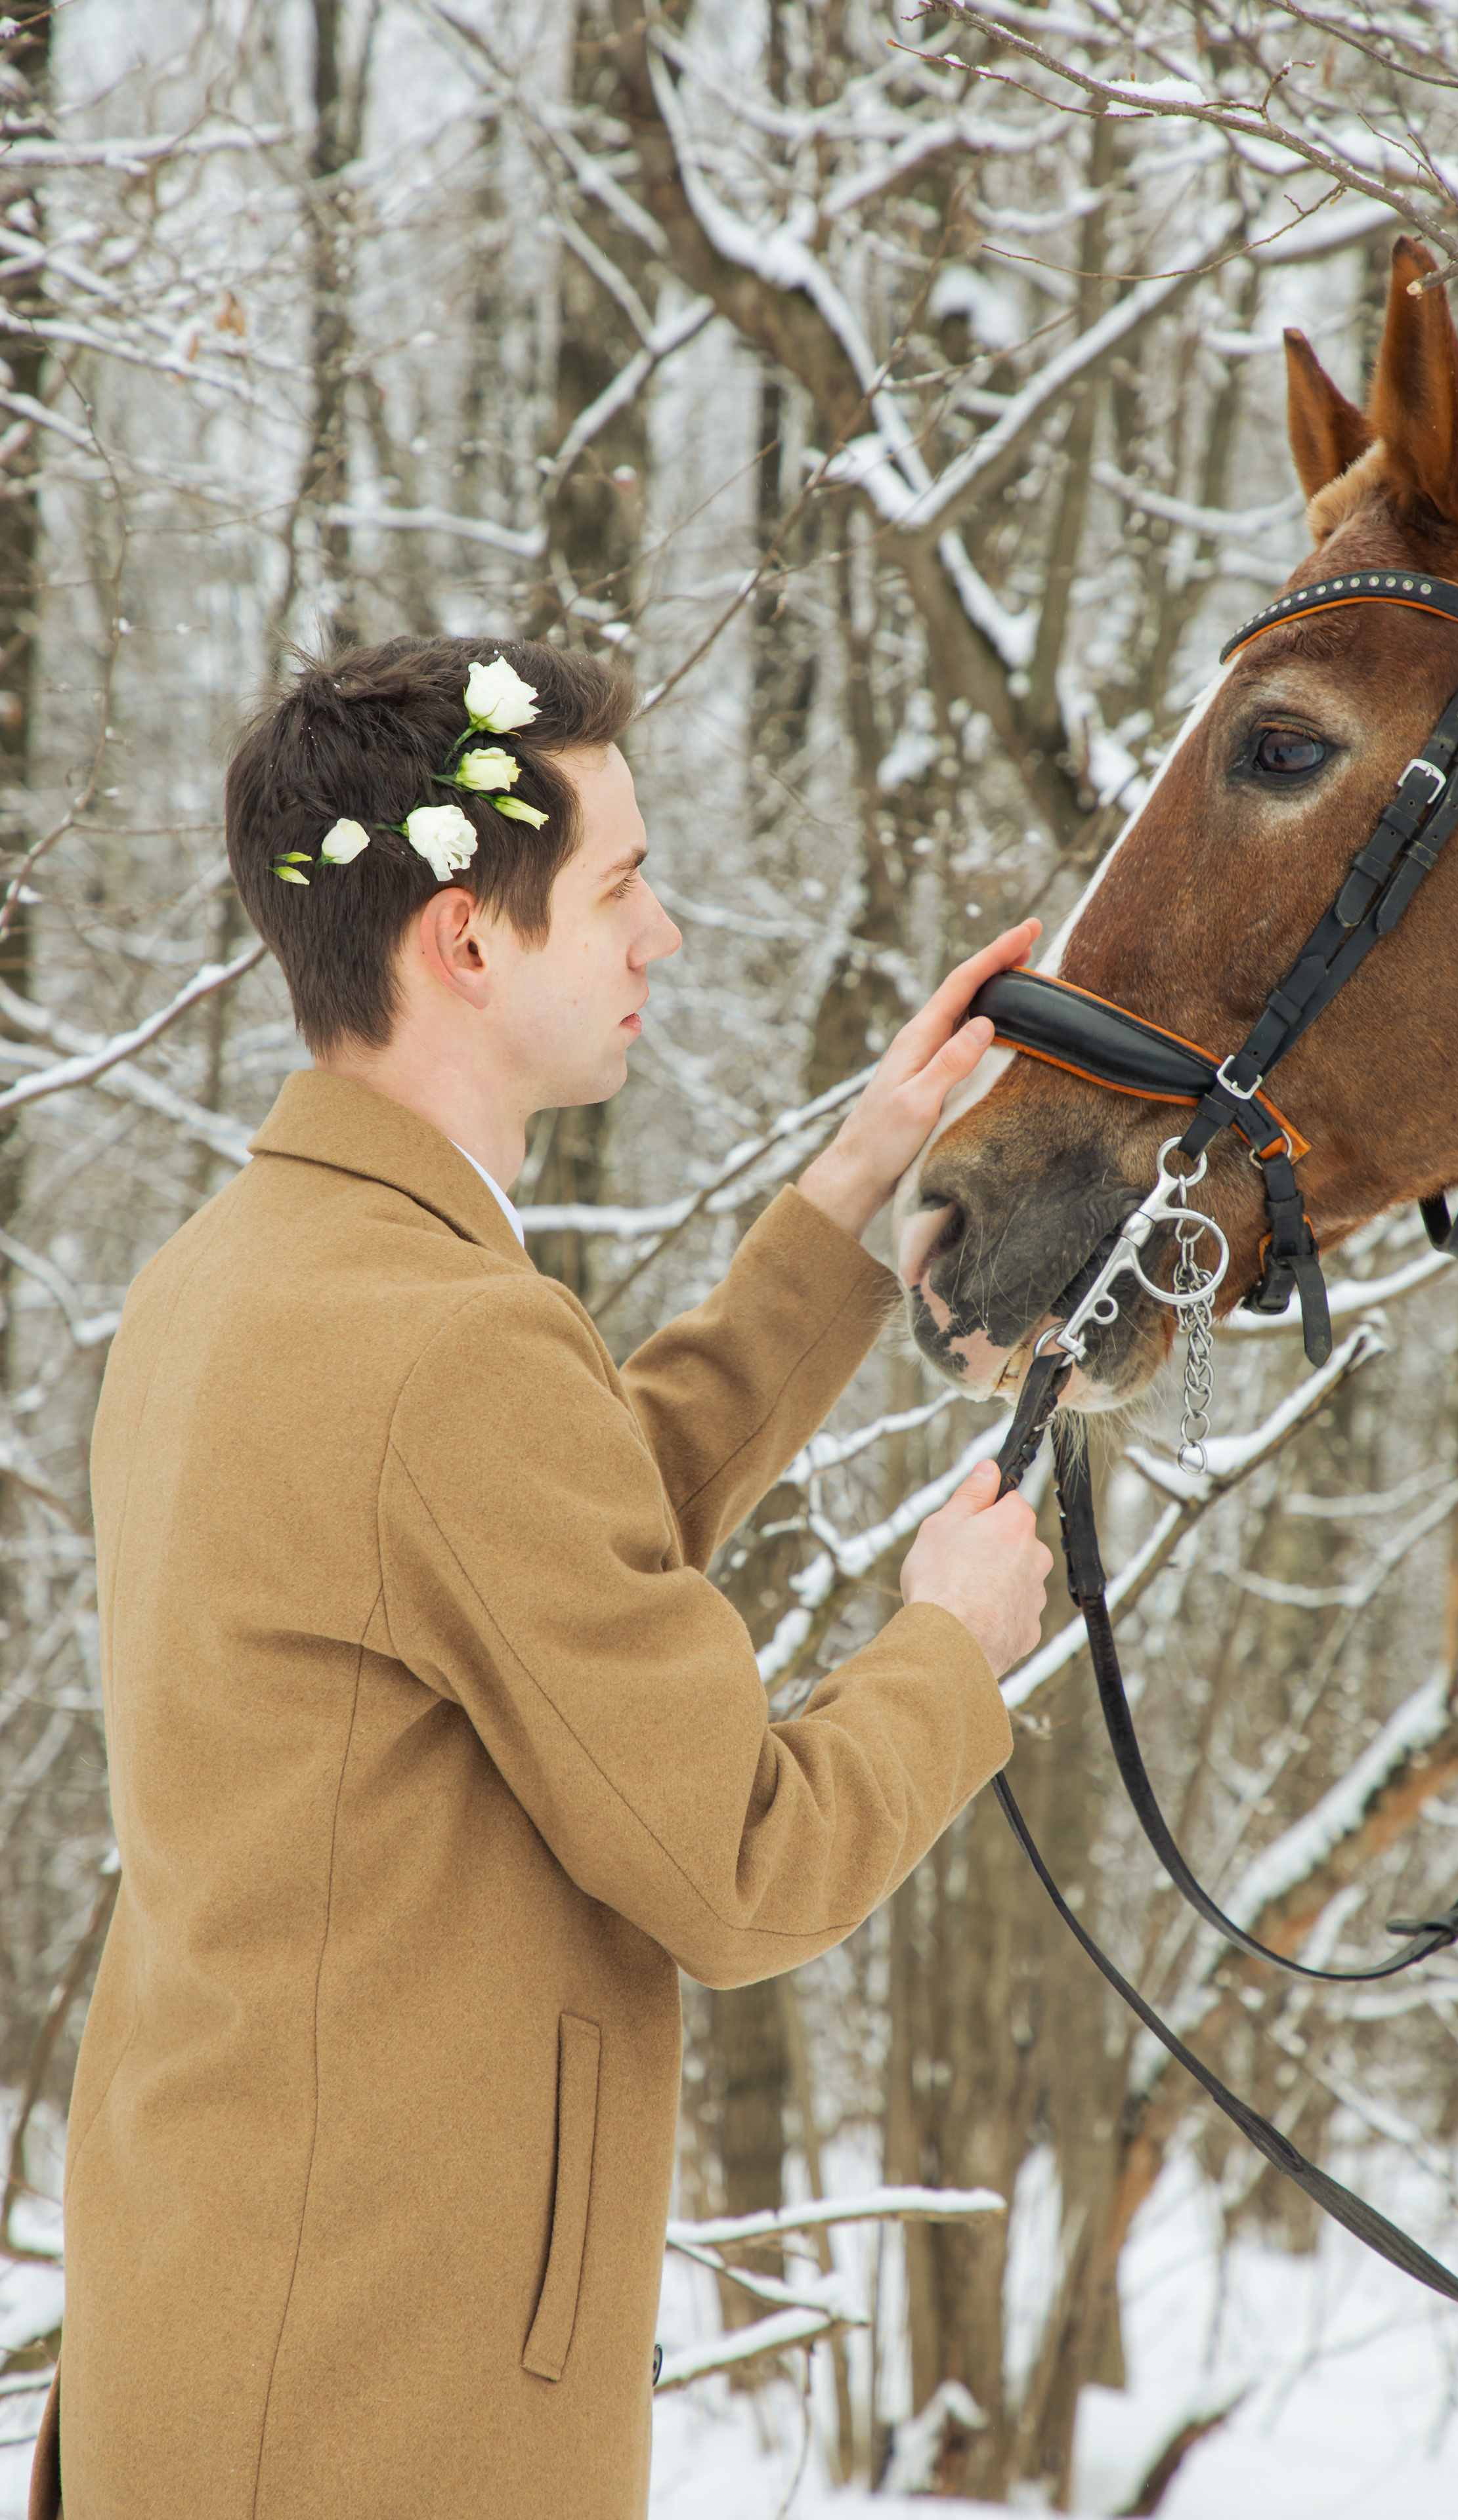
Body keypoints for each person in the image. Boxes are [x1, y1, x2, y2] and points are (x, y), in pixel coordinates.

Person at [36, 637, 1052, 2520]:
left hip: (220, 2350)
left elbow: (531, 1570)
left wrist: (847, 1197)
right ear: (468, 943)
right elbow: (742, 1868)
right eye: (620, 885)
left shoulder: (232, 1276)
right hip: (371, 2413)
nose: (663, 934)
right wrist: (951, 1647)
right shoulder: (441, 1344)